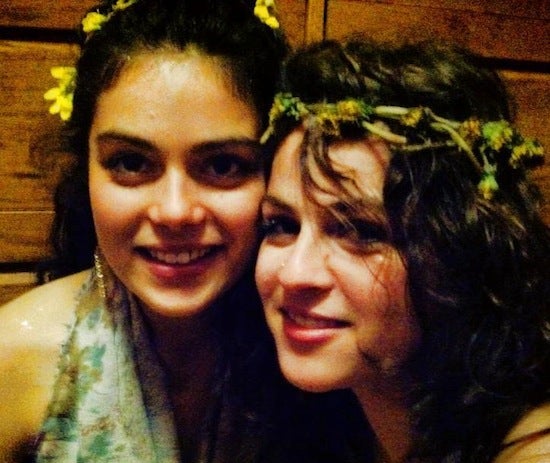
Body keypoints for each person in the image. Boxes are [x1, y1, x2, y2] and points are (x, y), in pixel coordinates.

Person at [0, 2, 369, 462]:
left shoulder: (327, 346)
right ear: (86, 171)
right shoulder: (12, 359)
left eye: (222, 165)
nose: (175, 212)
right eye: (131, 163)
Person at [256, 38, 550, 463]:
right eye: (281, 226)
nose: (294, 273)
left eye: (360, 232)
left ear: (457, 249)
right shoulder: (328, 417)